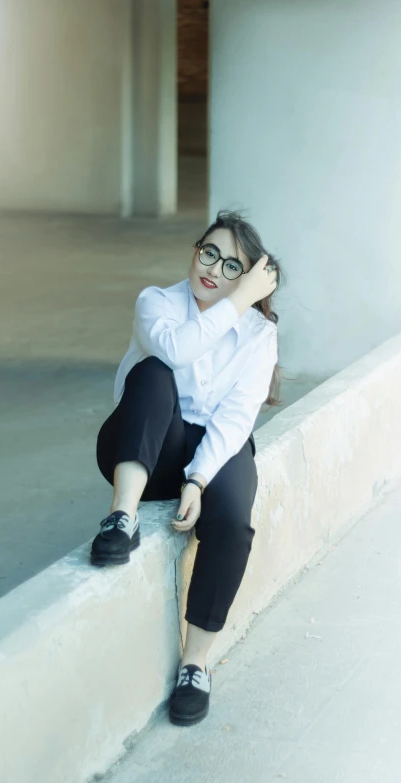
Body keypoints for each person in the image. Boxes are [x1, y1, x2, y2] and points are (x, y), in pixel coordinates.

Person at [91, 209, 283, 727]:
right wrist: (238, 299)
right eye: (209, 252)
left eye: (233, 267)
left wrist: (198, 479)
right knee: (155, 373)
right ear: (196, 249)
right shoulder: (158, 302)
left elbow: (237, 416)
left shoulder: (258, 335)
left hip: (212, 445)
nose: (214, 270)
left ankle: (195, 663)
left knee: (232, 521)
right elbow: (177, 351)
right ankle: (121, 518)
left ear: (250, 278)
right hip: (147, 443)